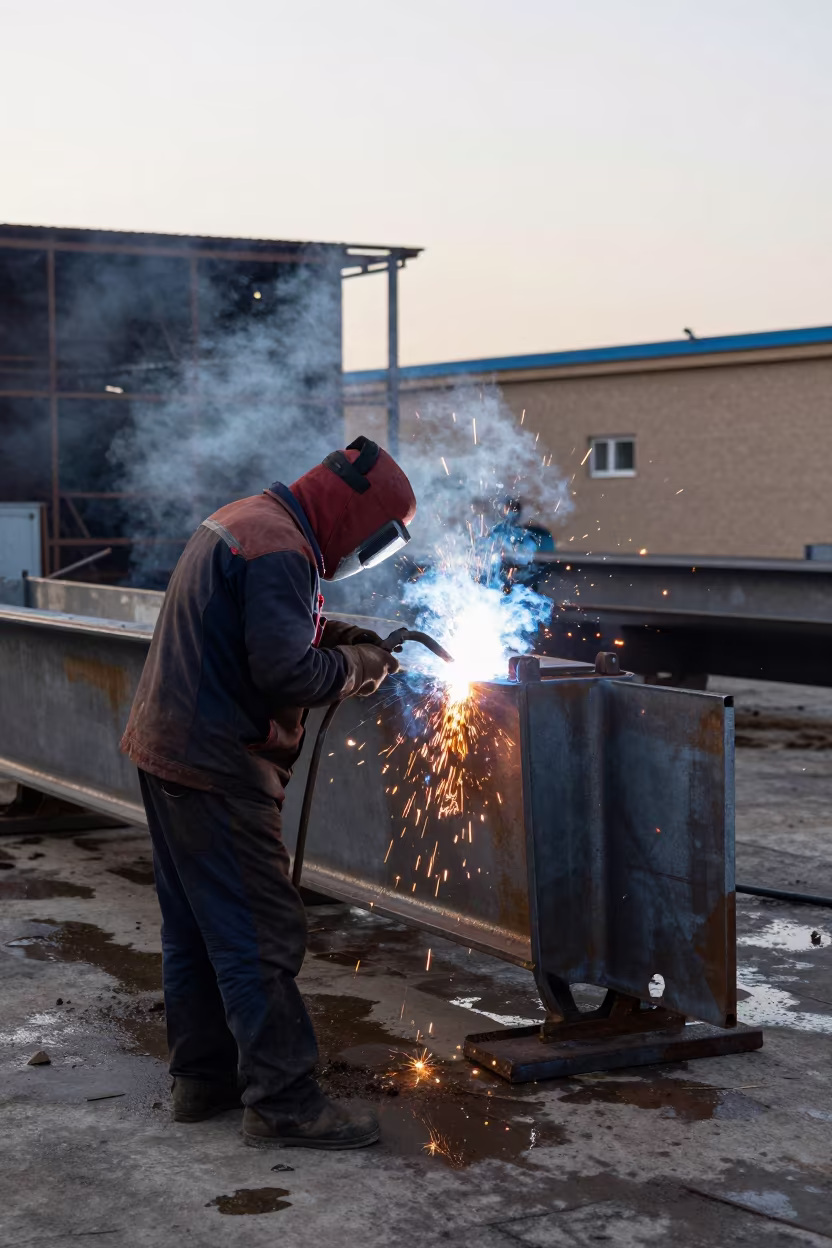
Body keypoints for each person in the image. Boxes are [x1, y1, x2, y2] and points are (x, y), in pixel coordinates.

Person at [121, 436, 416, 1150]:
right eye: (372, 544)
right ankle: (284, 1102)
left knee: (196, 928)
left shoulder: (252, 521)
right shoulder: (283, 550)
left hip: (167, 753)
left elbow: (267, 627)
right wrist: (361, 666)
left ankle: (204, 1081)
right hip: (218, 768)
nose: (359, 560)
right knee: (259, 936)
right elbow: (288, 673)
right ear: (354, 514)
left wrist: (350, 635)